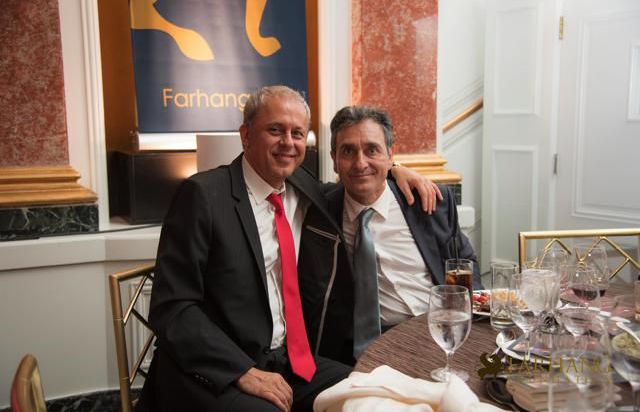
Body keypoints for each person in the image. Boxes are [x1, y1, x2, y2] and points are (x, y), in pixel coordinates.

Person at [138, 86, 440, 412]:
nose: (288, 143)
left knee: (376, 393)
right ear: (246, 135)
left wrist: (394, 169)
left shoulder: (303, 188)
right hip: (219, 370)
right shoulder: (203, 195)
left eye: (297, 133)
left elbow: (359, 176)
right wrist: (241, 371)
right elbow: (173, 308)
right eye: (275, 130)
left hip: (289, 362)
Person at [303, 105, 482, 363]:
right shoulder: (319, 209)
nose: (360, 163)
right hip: (362, 350)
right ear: (334, 160)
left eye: (372, 150)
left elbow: (466, 268)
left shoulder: (429, 203)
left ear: (390, 155)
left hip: (438, 334)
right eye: (348, 151)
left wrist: (471, 328)